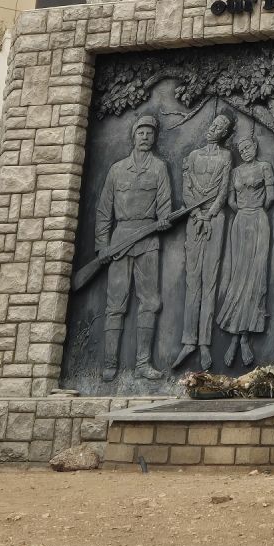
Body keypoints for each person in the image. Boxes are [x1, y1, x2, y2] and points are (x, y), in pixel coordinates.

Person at [95, 111, 173, 383]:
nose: (145, 137)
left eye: (150, 133)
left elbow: (165, 206)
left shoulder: (159, 168)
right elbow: (104, 211)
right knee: (115, 304)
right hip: (120, 241)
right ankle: (110, 364)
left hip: (148, 241)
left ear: (155, 138)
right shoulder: (117, 170)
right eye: (141, 132)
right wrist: (102, 245)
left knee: (150, 302)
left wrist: (164, 220)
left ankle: (143, 363)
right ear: (133, 136)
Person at [174, 112, 234, 371]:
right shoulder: (193, 156)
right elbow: (186, 189)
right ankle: (188, 341)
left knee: (210, 281)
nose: (214, 129)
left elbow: (223, 190)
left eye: (220, 127)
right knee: (192, 281)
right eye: (213, 124)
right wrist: (198, 214)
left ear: (224, 134)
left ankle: (205, 343)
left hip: (215, 220)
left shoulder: (226, 156)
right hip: (194, 219)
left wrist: (209, 215)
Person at [217, 135, 274, 370]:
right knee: (239, 276)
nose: (245, 151)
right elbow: (231, 200)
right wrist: (244, 211)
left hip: (259, 221)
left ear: (255, 147)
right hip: (241, 222)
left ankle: (244, 339)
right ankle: (234, 337)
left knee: (256, 276)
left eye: (248, 147)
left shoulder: (265, 167)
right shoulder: (236, 172)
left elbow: (270, 197)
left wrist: (255, 210)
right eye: (241, 149)